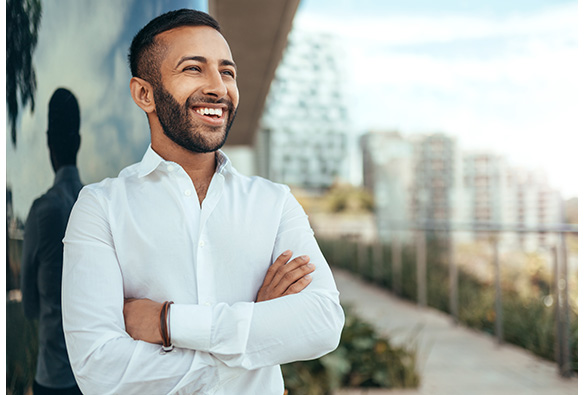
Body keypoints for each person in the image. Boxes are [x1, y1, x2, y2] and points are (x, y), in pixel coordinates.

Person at [62, 9, 344, 394]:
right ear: (144, 94)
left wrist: (168, 324)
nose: (218, 87)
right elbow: (99, 371)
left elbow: (322, 322)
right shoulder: (100, 208)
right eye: (194, 69)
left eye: (227, 71)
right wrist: (256, 331)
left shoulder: (274, 203)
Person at [21, 88, 83, 395]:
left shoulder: (43, 211)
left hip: (53, 379)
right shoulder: (97, 206)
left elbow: (30, 307)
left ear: (49, 143)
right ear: (79, 142)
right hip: (92, 377)